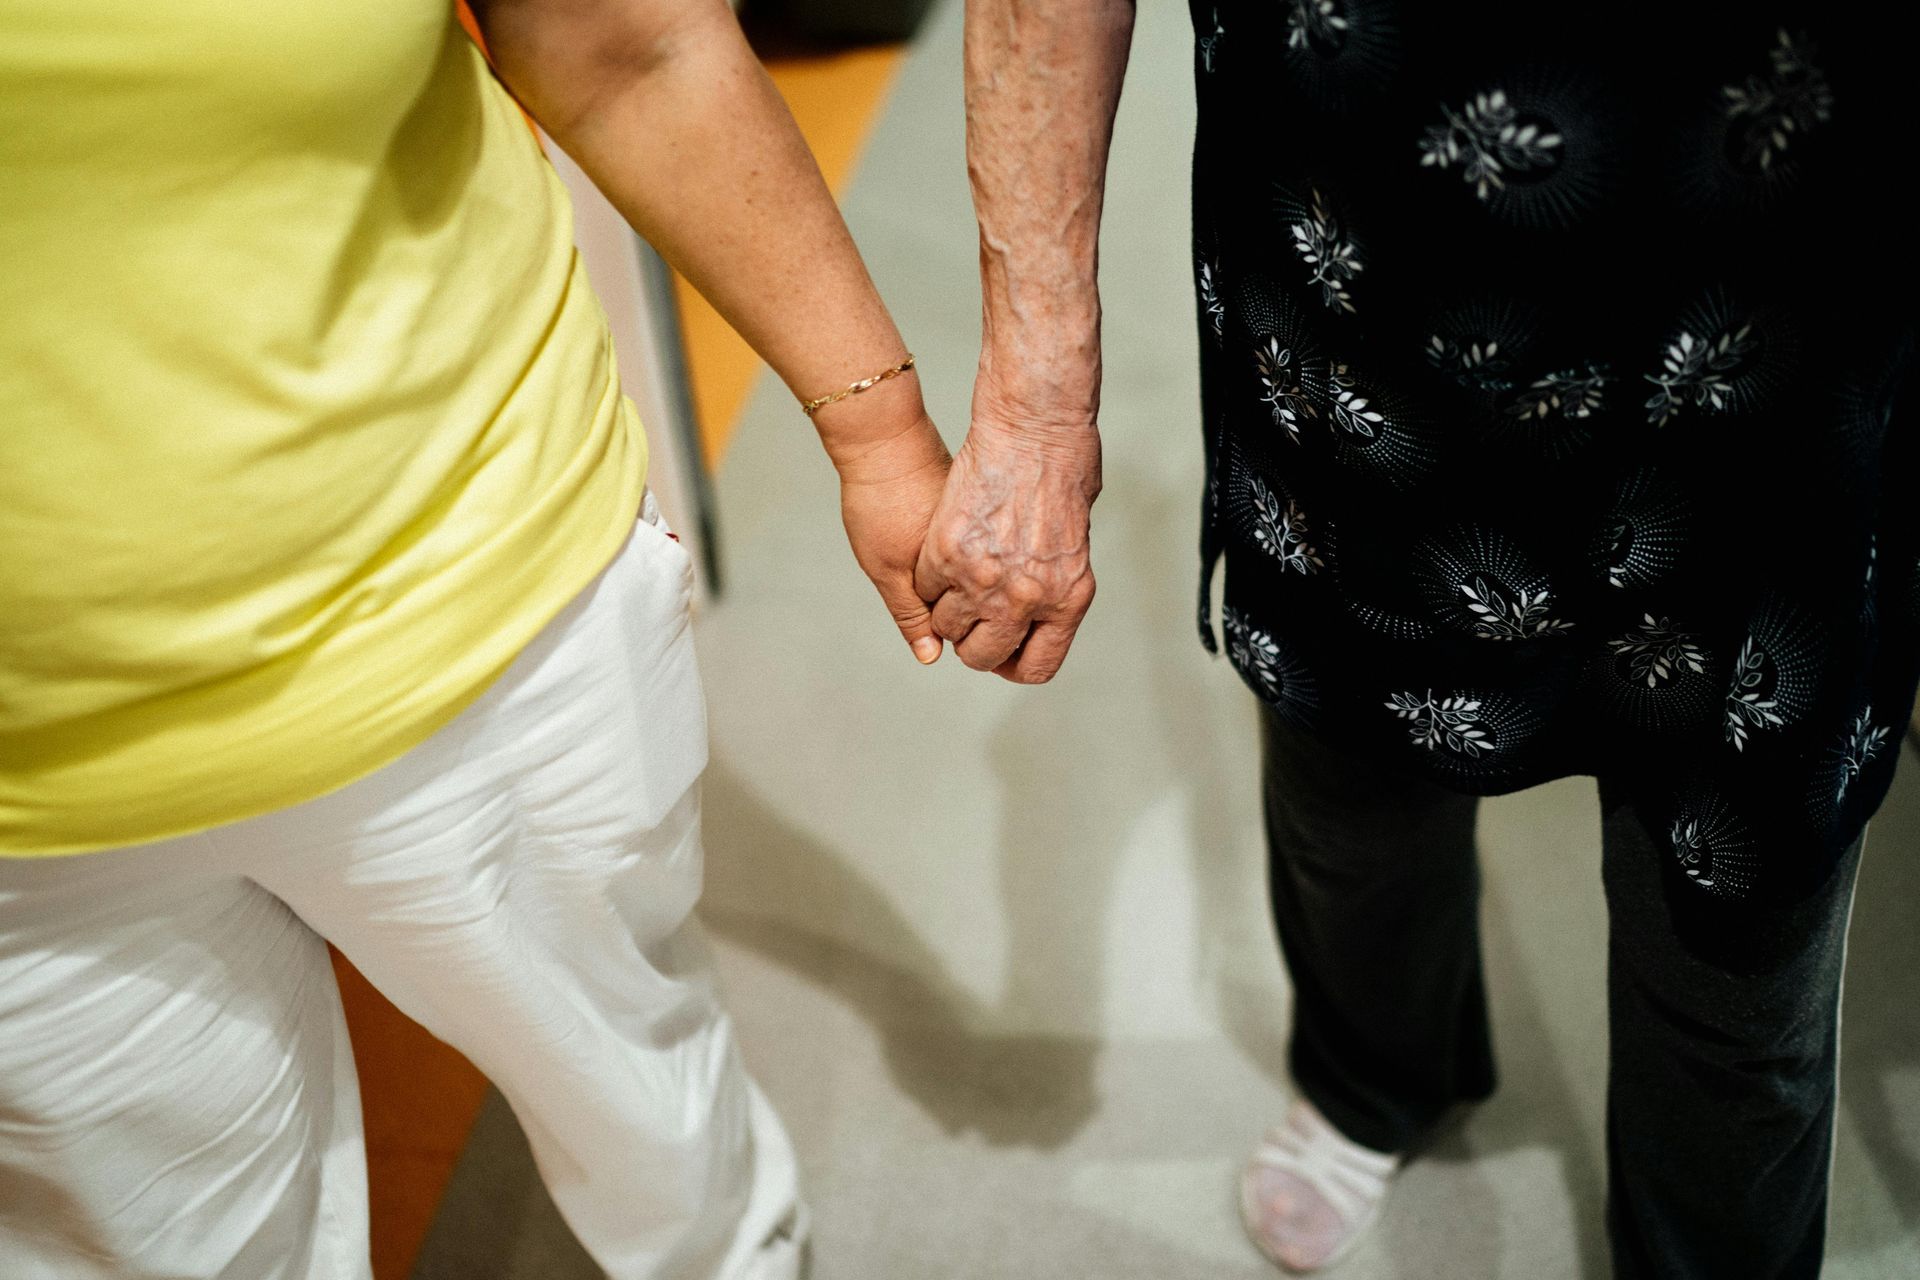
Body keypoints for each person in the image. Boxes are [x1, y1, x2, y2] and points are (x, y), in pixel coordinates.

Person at [930, 1, 1917, 1276]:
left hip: (1782, 300)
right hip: (1357, 267)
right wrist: (1033, 404)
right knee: (1353, 779)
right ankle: (1375, 1074)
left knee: (1744, 887)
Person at [0, 0, 954, 1275]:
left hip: (476, 596)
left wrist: (877, 433)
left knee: (641, 1093)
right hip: (28, 805)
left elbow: (629, 43)